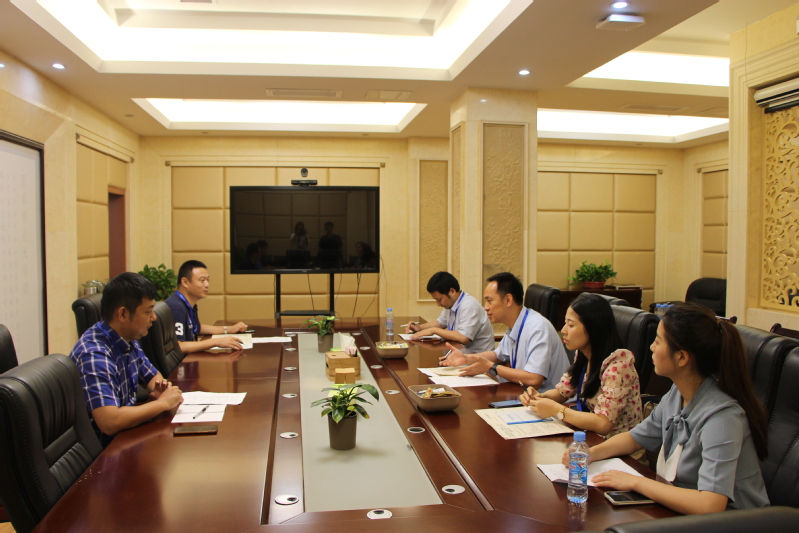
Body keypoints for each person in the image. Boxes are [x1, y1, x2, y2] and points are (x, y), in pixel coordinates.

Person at [579, 303, 769, 514]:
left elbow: (710, 505)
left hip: (736, 523)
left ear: (681, 357)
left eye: (658, 341)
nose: (651, 347)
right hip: (681, 512)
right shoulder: (677, 393)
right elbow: (635, 438)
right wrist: (588, 454)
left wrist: (635, 482)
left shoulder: (722, 418)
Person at [69, 272, 184, 446]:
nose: (153, 317)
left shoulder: (127, 339)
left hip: (127, 437)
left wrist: (161, 391)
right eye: (148, 311)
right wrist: (161, 404)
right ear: (123, 314)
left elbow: (154, 377)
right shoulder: (94, 354)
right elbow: (109, 422)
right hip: (106, 450)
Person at [520, 293, 642, 439]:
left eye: (571, 325)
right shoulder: (584, 354)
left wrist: (557, 410)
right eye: (565, 323)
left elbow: (604, 424)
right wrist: (539, 398)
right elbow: (563, 392)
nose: (563, 330)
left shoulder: (619, 366)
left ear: (593, 328)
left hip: (618, 447)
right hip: (591, 438)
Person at [440, 272, 570, 391]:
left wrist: (491, 367)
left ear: (508, 300)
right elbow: (498, 355)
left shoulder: (537, 328)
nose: (485, 307)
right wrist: (466, 358)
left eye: (489, 301)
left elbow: (534, 379)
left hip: (552, 402)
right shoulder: (516, 324)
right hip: (524, 395)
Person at [165, 260, 248, 354]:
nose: (207, 284)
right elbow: (178, 346)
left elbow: (197, 327)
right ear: (185, 282)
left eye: (207, 280)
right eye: (202, 280)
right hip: (182, 362)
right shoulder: (176, 307)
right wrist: (216, 342)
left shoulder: (188, 304)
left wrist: (230, 329)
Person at [408, 271, 495, 353]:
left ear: (452, 291)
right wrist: (419, 327)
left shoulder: (469, 306)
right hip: (460, 354)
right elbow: (440, 323)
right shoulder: (452, 304)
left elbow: (463, 337)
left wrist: (434, 330)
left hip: (478, 357)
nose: (438, 304)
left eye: (439, 299)